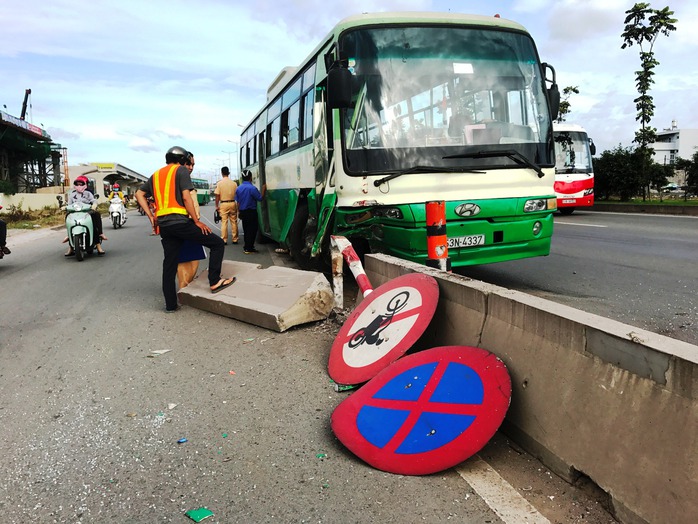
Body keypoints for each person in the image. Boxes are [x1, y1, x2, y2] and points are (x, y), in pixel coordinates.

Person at [136, 146, 235, 312]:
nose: (189, 166)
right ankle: (215, 281)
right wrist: (196, 221)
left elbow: (139, 194)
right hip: (181, 223)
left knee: (169, 264)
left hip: (165, 226)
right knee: (217, 243)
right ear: (182, 160)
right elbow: (186, 197)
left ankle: (170, 305)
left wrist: (151, 216)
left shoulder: (156, 174)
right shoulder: (180, 171)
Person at [177, 151, 207, 289]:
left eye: (193, 164)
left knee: (192, 259)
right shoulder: (180, 180)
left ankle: (185, 287)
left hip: (188, 225)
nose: (191, 167)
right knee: (185, 260)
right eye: (188, 164)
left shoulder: (184, 180)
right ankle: (184, 288)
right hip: (186, 224)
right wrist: (196, 221)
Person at [65, 175, 106, 256]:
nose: (79, 186)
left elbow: (93, 200)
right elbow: (69, 204)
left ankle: (98, 244)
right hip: (75, 212)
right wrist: (65, 207)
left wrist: (94, 205)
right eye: (77, 184)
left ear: (85, 184)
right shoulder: (72, 195)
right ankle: (70, 244)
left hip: (87, 212)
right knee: (67, 216)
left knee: (95, 218)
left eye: (81, 184)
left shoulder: (88, 193)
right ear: (75, 185)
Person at [235, 169, 264, 254]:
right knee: (253, 230)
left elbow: (238, 202)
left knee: (246, 229)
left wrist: (239, 212)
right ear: (251, 177)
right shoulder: (252, 188)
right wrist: (263, 190)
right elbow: (260, 198)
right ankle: (249, 247)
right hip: (251, 212)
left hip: (243, 212)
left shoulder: (238, 188)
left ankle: (247, 247)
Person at [214, 166, 239, 245]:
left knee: (224, 222)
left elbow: (217, 195)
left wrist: (217, 205)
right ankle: (235, 239)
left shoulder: (219, 183)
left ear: (222, 173)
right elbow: (237, 194)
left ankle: (224, 239)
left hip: (223, 204)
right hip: (232, 203)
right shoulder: (234, 183)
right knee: (234, 221)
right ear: (228, 173)